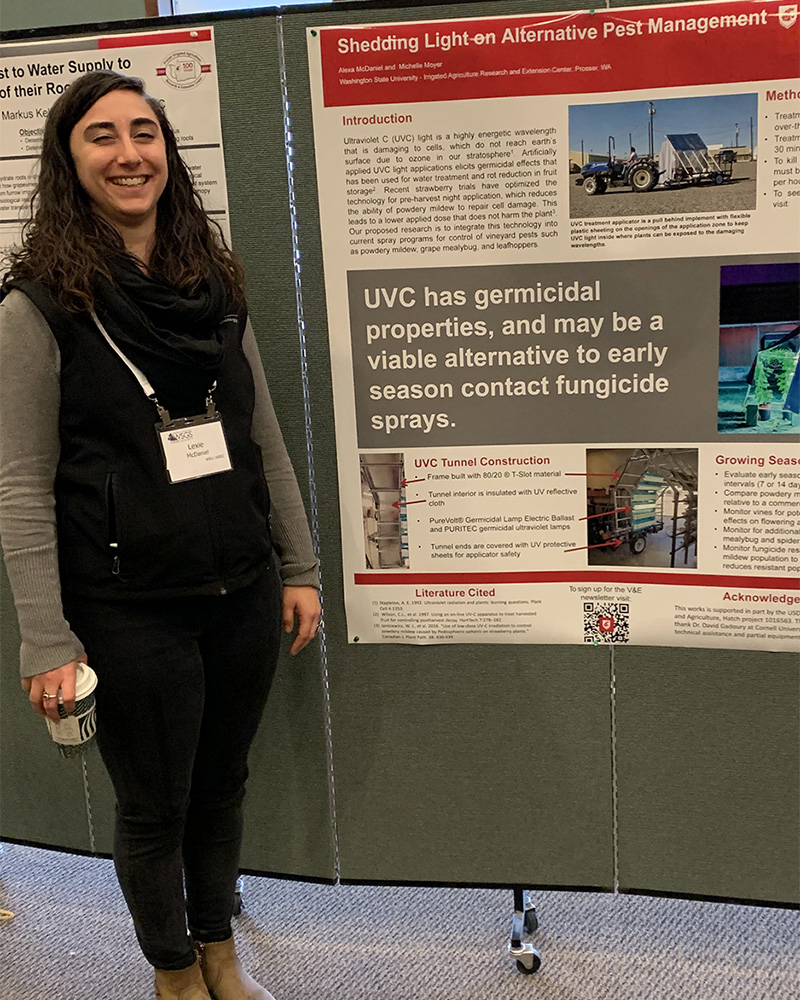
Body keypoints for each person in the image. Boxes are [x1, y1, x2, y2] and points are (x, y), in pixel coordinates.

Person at [0, 70, 321, 1000]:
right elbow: (19, 484)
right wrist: (47, 637)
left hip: (242, 590)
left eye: (145, 132)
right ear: (69, 160)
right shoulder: (36, 308)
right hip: (129, 607)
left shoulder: (212, 283)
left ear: (169, 155)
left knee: (223, 788)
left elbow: (262, 435)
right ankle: (174, 973)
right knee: (155, 806)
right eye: (102, 136)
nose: (129, 153)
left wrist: (296, 565)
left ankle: (220, 949)